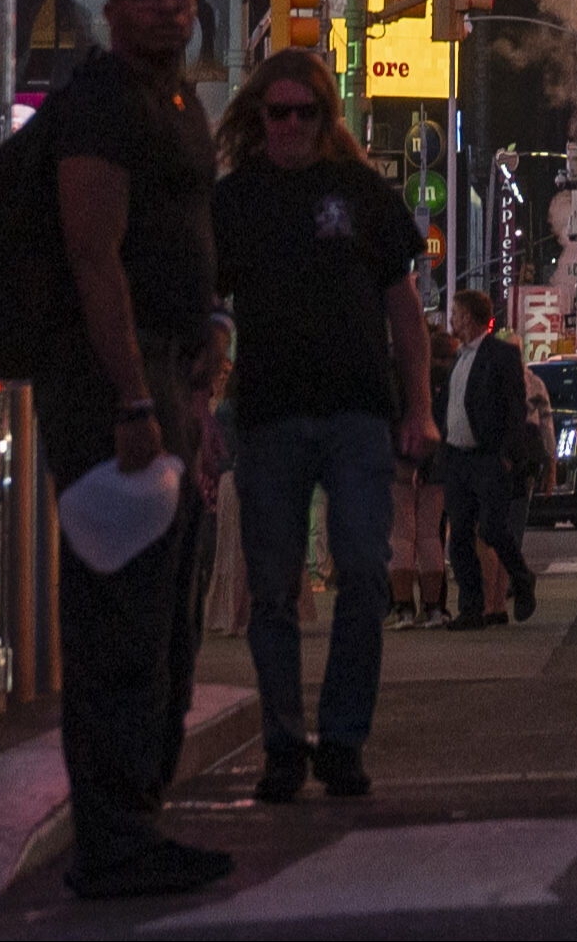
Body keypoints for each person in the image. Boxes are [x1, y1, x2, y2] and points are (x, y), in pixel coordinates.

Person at [31, 0, 232, 905]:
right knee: (118, 628)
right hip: (111, 390)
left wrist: (203, 358)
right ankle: (110, 839)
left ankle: (137, 821)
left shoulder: (177, 102)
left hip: (169, 380)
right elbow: (91, 254)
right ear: (109, 9)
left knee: (163, 626)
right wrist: (133, 396)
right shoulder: (101, 103)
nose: (166, 4)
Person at [210, 50, 432, 804]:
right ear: (259, 115)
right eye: (279, 112)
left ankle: (342, 739)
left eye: (306, 111)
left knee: (364, 572)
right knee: (272, 588)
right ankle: (282, 745)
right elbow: (207, 308)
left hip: (356, 414)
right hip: (268, 416)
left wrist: (420, 408)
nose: (292, 125)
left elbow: (405, 312)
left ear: (324, 116)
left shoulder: (362, 194)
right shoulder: (235, 200)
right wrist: (204, 406)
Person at [433, 290, 541, 632]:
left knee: (493, 528)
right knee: (460, 534)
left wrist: (507, 455)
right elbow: (451, 404)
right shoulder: (459, 356)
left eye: (456, 313)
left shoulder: (501, 355)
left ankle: (521, 578)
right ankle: (471, 607)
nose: (452, 319)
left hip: (488, 457)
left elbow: (514, 407)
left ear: (469, 316)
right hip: (458, 457)